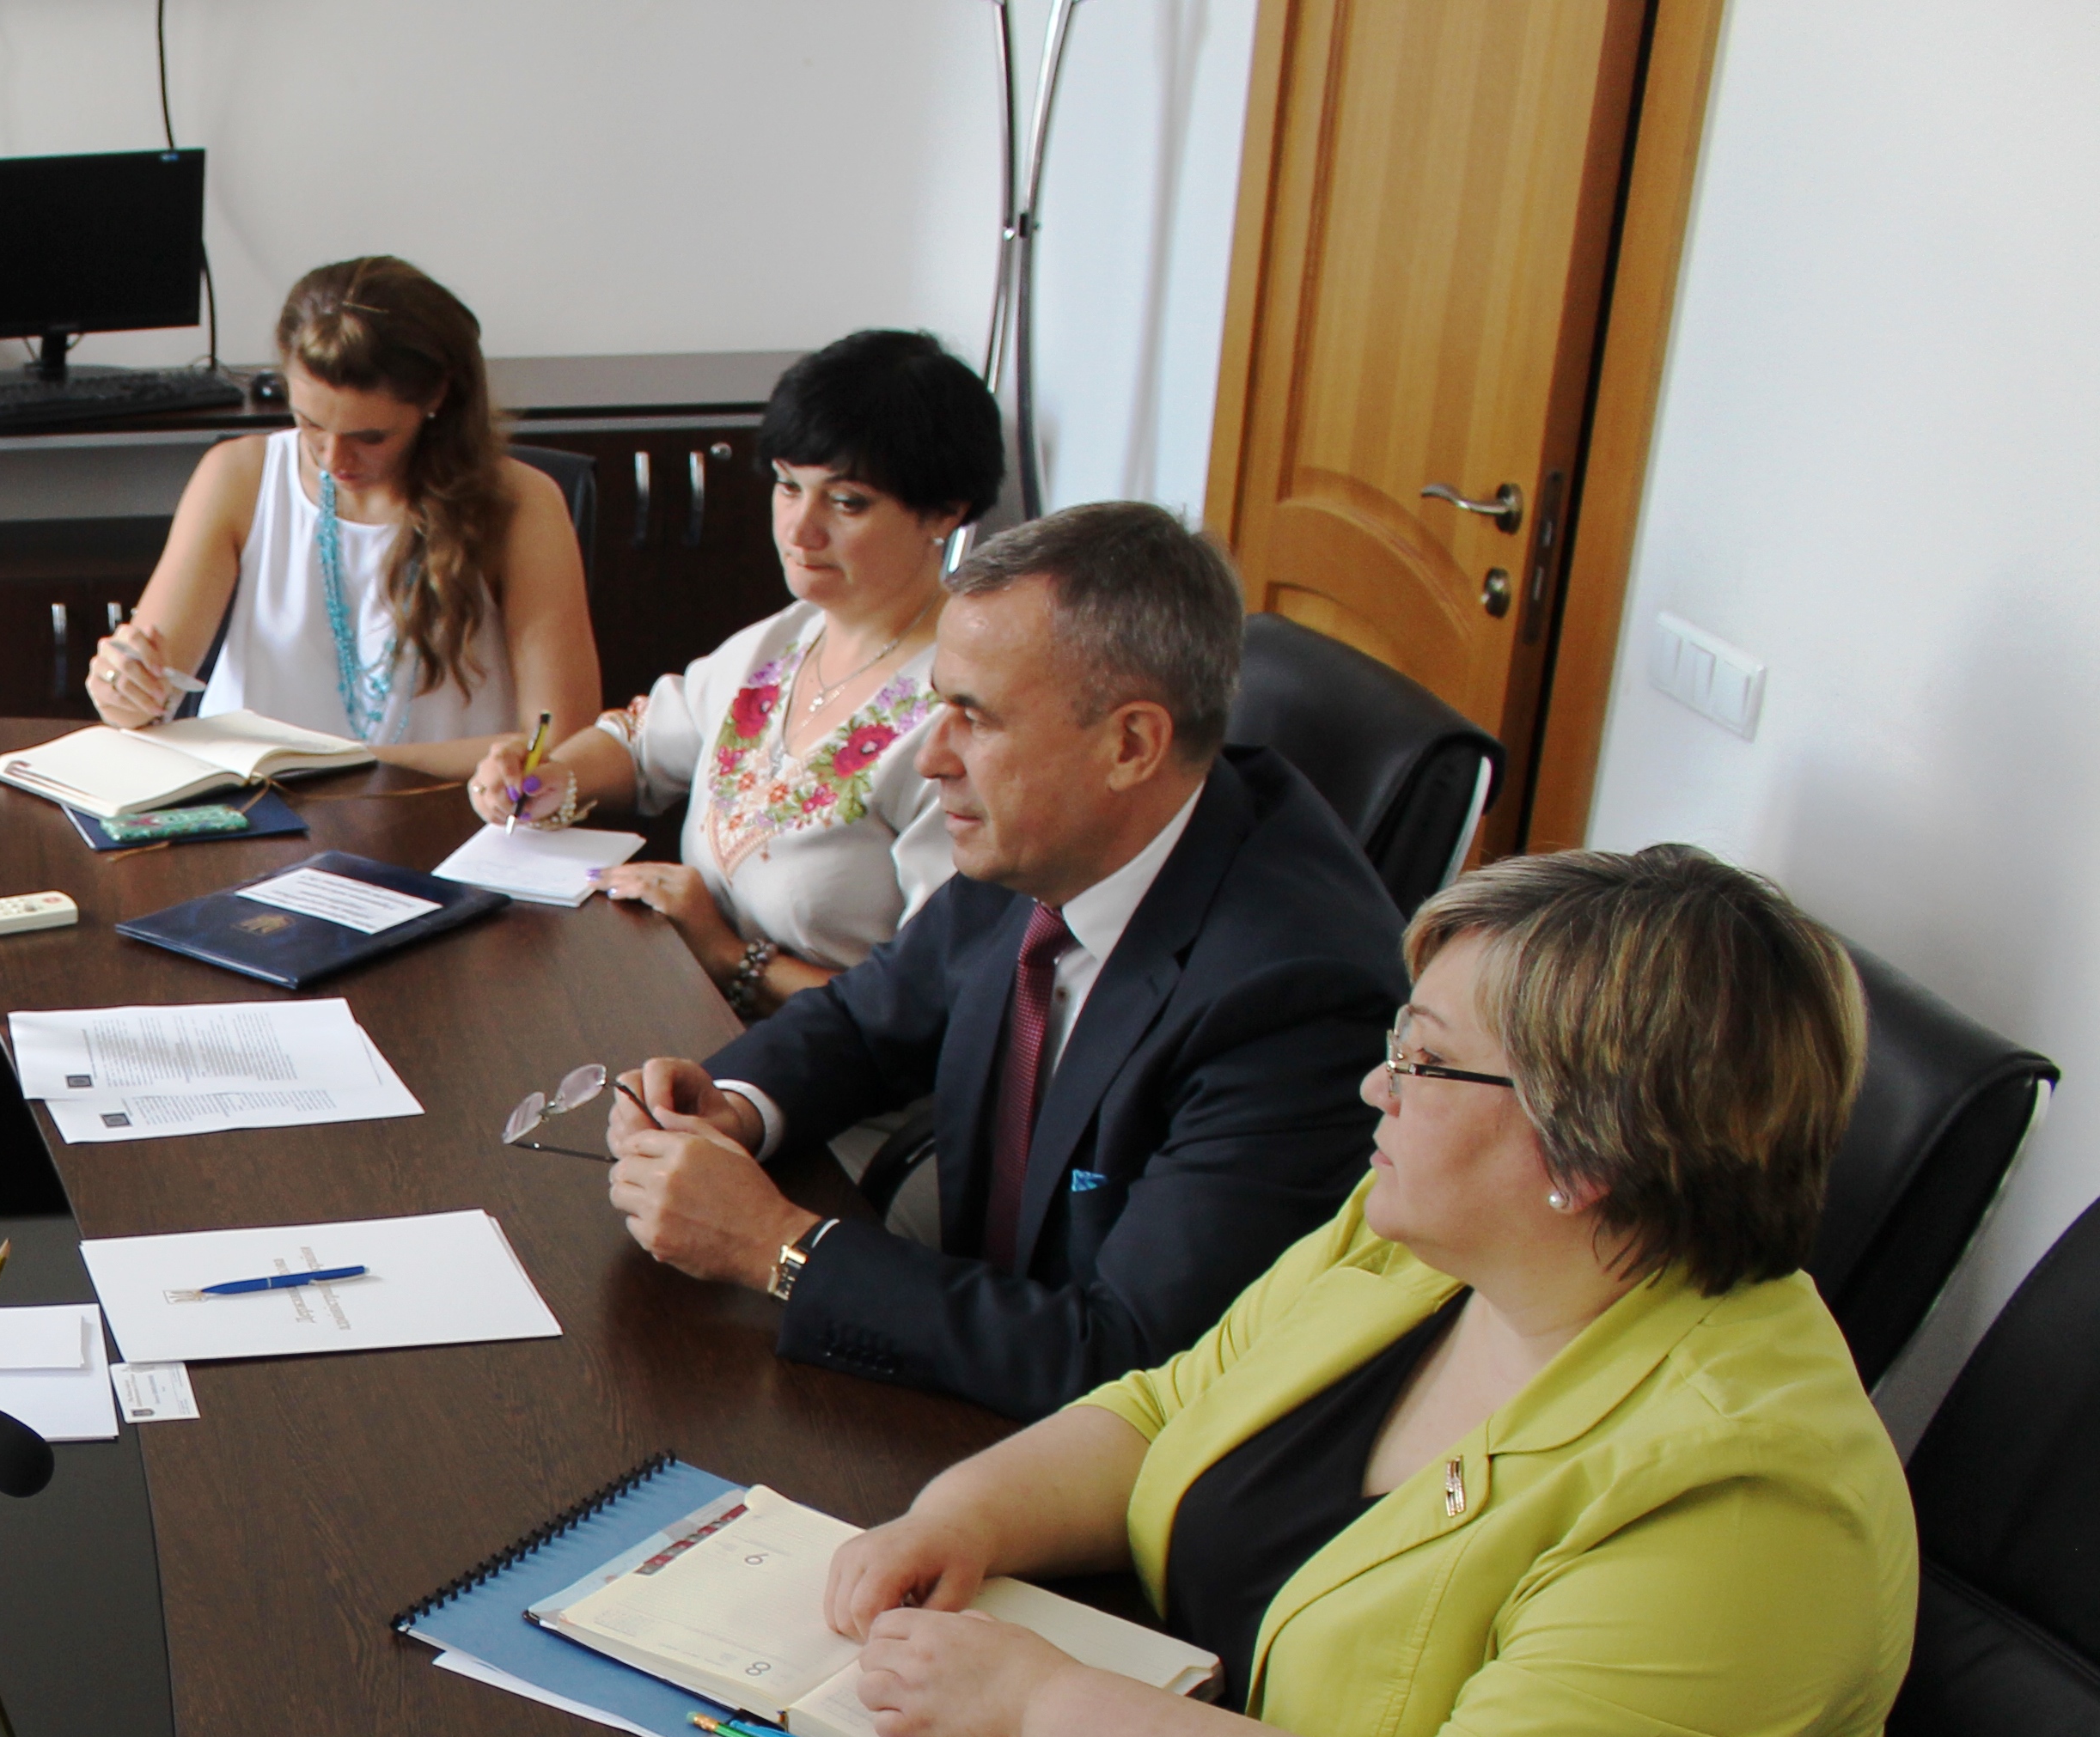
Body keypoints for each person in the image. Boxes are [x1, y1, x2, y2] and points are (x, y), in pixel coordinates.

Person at [821, 846, 1918, 1737]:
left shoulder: (1743, 1486)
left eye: (1423, 1059)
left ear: (1587, 1151)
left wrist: (1037, 1709)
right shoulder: (1418, 1238)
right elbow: (1166, 1408)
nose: (1371, 1087)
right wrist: (958, 1514)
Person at [605, 500, 1401, 1423]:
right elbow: (872, 1017)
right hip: (979, 1301)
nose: (931, 757)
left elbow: (1127, 1355)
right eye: (937, 702)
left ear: (1131, 744)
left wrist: (778, 1249)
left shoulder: (1296, 997)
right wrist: (732, 1104)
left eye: (974, 717)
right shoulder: (1053, 830)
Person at [466, 329, 1003, 1016]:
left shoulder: (962, 717)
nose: (799, 529)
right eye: (787, 486)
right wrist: (547, 779)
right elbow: (642, 743)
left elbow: (933, 1010)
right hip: (697, 1014)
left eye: (847, 503)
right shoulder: (782, 641)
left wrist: (726, 953)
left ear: (945, 511)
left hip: (832, 1068)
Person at [87, 257, 598, 774]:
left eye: (370, 437)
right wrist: (123, 690)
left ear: (436, 399)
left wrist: (344, 769)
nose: (334, 459)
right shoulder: (237, 476)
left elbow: (560, 744)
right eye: (310, 424)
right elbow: (150, 688)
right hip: (247, 804)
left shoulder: (522, 504)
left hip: (438, 809)